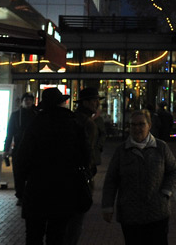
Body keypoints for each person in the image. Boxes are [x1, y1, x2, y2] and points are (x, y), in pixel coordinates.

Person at [18, 87, 91, 245]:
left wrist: (21, 188)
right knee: (57, 235)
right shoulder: (73, 125)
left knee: (33, 235)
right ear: (61, 103)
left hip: (36, 188)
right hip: (64, 189)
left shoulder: (35, 125)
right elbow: (85, 157)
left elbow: (22, 158)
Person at [102, 109, 176, 244]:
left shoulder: (160, 147)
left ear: (149, 126)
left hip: (157, 212)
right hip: (130, 214)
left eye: (141, 124)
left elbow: (173, 171)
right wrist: (107, 206)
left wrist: (166, 192)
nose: (137, 128)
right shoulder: (122, 151)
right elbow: (111, 180)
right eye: (133, 125)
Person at [65, 87, 105, 245]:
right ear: (86, 103)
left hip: (69, 176)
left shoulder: (74, 118)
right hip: (80, 176)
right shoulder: (88, 123)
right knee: (76, 220)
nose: (97, 104)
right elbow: (87, 152)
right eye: (94, 101)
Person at [4, 92, 37, 203]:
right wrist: (6, 149)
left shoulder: (36, 114)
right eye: (26, 100)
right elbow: (9, 133)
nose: (27, 102)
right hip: (20, 148)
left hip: (31, 149)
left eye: (29, 100)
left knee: (28, 173)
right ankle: (20, 195)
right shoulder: (16, 115)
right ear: (22, 101)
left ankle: (25, 195)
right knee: (19, 174)